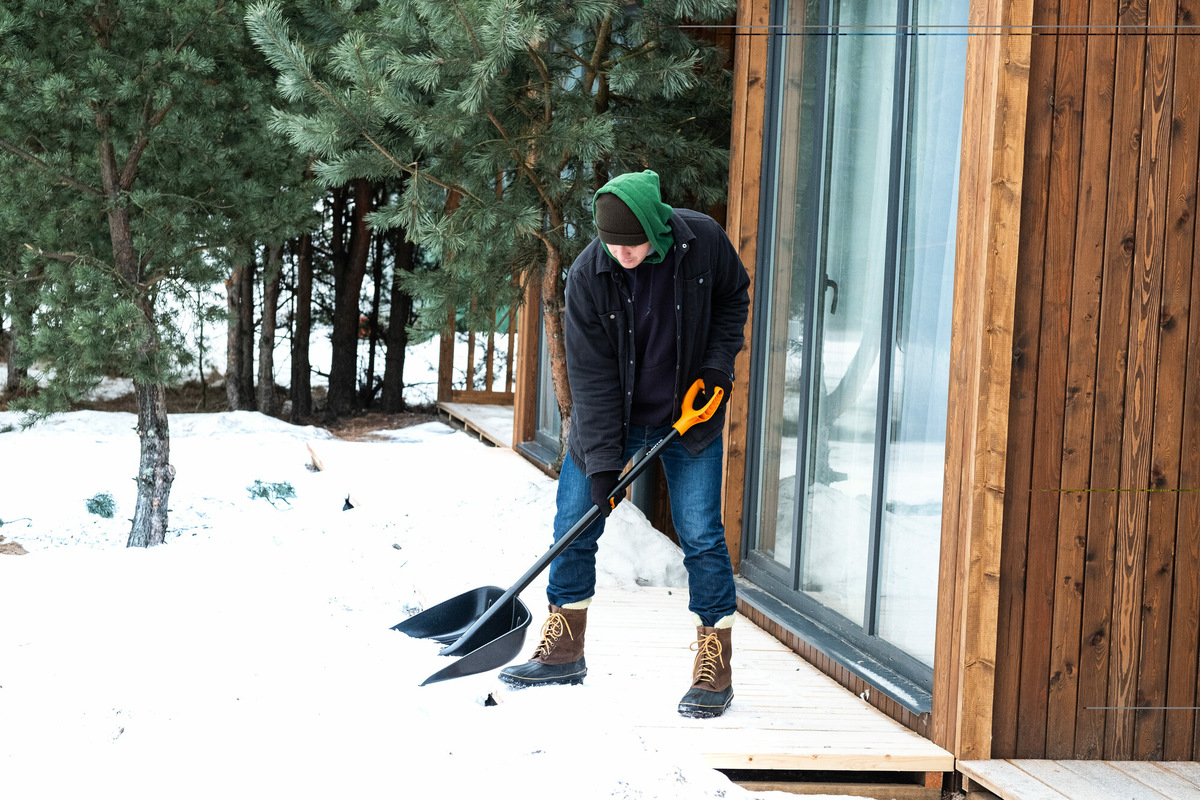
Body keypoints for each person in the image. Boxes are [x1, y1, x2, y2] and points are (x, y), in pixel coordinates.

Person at [498, 170, 751, 719]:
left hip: (690, 415)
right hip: (614, 417)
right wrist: (603, 469)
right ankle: (564, 648)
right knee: (575, 521)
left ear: (656, 229)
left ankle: (715, 662)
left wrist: (716, 367)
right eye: (612, 244)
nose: (622, 254)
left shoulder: (703, 241)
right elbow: (591, 382)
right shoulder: (589, 274)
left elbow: (734, 298)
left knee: (701, 534)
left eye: (632, 244)